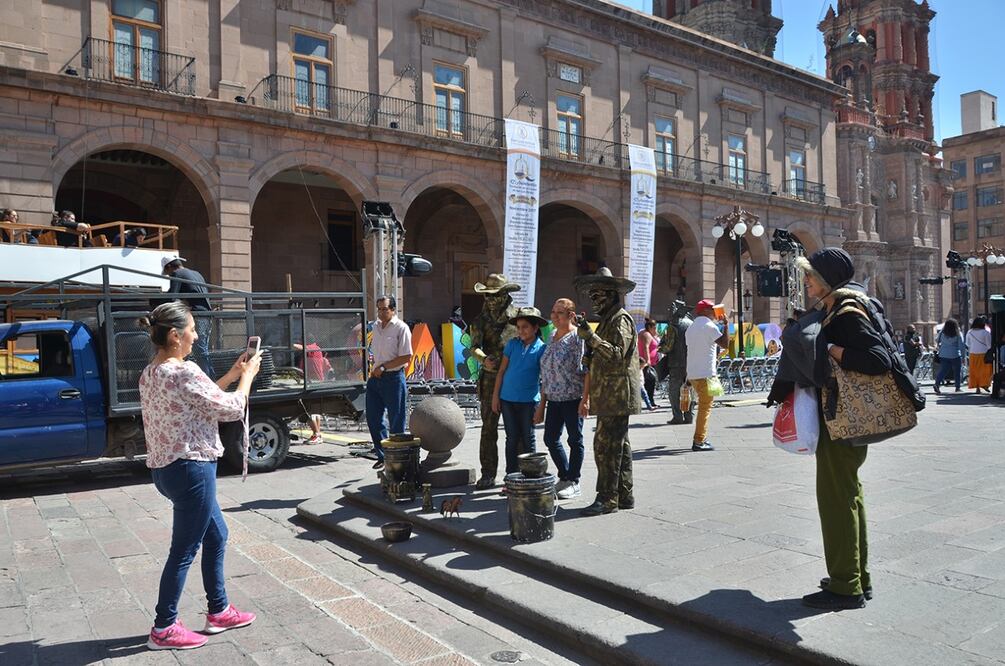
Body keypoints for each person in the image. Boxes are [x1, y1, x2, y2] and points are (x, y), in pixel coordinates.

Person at [768, 247, 893, 611]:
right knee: (849, 496)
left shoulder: (846, 311)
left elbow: (877, 359)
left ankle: (845, 585)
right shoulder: (842, 307)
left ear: (826, 279)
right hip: (844, 418)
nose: (806, 282)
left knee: (836, 500)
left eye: (810, 276)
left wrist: (829, 347)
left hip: (843, 419)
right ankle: (855, 576)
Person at [137, 301, 262, 650]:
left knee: (217, 535)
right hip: (191, 467)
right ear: (175, 336)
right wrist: (249, 377)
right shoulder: (184, 371)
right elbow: (231, 408)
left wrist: (234, 375)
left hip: (166, 469)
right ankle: (163, 628)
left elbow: (203, 398)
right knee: (184, 549)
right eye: (192, 329)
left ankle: (219, 610)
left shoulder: (151, 372)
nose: (195, 335)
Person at [574, 267, 640, 516]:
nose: (594, 300)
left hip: (618, 394)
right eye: (591, 296)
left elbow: (615, 354)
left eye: (598, 295)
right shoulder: (607, 320)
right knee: (619, 446)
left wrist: (591, 338)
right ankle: (624, 494)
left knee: (605, 446)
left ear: (612, 295)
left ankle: (607, 498)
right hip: (610, 393)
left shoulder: (620, 319)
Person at [468, 274, 521, 489]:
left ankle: (515, 474)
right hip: (490, 379)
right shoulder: (480, 320)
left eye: (494, 296)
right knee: (488, 429)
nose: (490, 300)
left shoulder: (518, 317)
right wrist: (483, 359)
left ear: (505, 295)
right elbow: (473, 347)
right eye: (487, 296)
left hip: (514, 379)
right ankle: (488, 473)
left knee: (514, 430)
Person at [535, 298, 586, 500]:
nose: (554, 316)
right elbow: (546, 373)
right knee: (550, 438)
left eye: (560, 313)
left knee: (575, 439)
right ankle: (565, 475)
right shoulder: (551, 336)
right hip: (554, 398)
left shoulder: (577, 337)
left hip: (573, 396)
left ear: (571, 315)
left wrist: (586, 398)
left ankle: (574, 480)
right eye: (553, 312)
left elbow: (586, 370)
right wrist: (542, 405)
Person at [492, 307, 547, 482]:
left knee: (528, 438)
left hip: (529, 402)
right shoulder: (512, 344)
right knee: (511, 439)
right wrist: (495, 396)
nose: (521, 330)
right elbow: (501, 371)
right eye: (519, 327)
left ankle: (531, 476)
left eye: (525, 327)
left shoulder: (542, 349)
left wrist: (542, 407)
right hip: (507, 400)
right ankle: (511, 477)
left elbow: (545, 379)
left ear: (535, 328)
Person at [366, 295, 413, 469]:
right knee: (373, 418)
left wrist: (384, 367)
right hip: (375, 377)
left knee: (396, 420)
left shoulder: (401, 328)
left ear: (393, 309)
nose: (381, 312)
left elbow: (407, 356)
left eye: (385, 309)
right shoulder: (376, 327)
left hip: (393, 377)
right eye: (379, 308)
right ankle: (383, 455)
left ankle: (398, 459)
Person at [684, 300, 729, 452]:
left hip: (693, 374)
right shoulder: (709, 326)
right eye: (712, 310)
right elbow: (725, 344)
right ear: (705, 311)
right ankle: (699, 440)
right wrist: (726, 325)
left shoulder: (691, 328)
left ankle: (701, 437)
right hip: (706, 374)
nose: (715, 313)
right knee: (705, 408)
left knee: (703, 406)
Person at [159, 256, 214, 378]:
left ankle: (208, 380)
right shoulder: (195, 273)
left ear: (169, 267)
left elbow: (172, 297)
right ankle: (208, 378)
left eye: (167, 272)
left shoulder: (177, 274)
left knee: (200, 351)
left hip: (197, 315)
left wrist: (156, 300)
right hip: (206, 314)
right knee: (201, 350)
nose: (168, 275)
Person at [660, 301, 694, 425]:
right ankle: (689, 416)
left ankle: (678, 416)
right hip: (690, 362)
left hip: (676, 364)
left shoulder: (673, 324)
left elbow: (667, 346)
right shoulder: (692, 323)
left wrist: (661, 348)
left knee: (674, 392)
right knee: (689, 390)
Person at [934, 317, 966, 394]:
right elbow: (961, 345)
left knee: (943, 370)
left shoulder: (942, 332)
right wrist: (963, 356)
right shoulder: (958, 333)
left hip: (943, 354)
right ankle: (957, 387)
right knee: (957, 371)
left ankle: (937, 384)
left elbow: (937, 340)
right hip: (955, 354)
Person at [966, 316, 993, 393]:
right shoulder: (986, 332)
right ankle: (985, 384)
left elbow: (967, 344)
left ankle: (977, 387)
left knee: (975, 371)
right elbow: (989, 345)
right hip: (984, 354)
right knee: (985, 371)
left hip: (973, 354)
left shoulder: (969, 332)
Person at [638, 318, 660, 408]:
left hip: (650, 363)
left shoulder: (647, 334)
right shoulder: (646, 334)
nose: (656, 330)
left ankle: (651, 401)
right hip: (647, 364)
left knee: (649, 383)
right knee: (650, 383)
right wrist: (648, 361)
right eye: (654, 328)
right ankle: (650, 402)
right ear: (650, 327)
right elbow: (646, 347)